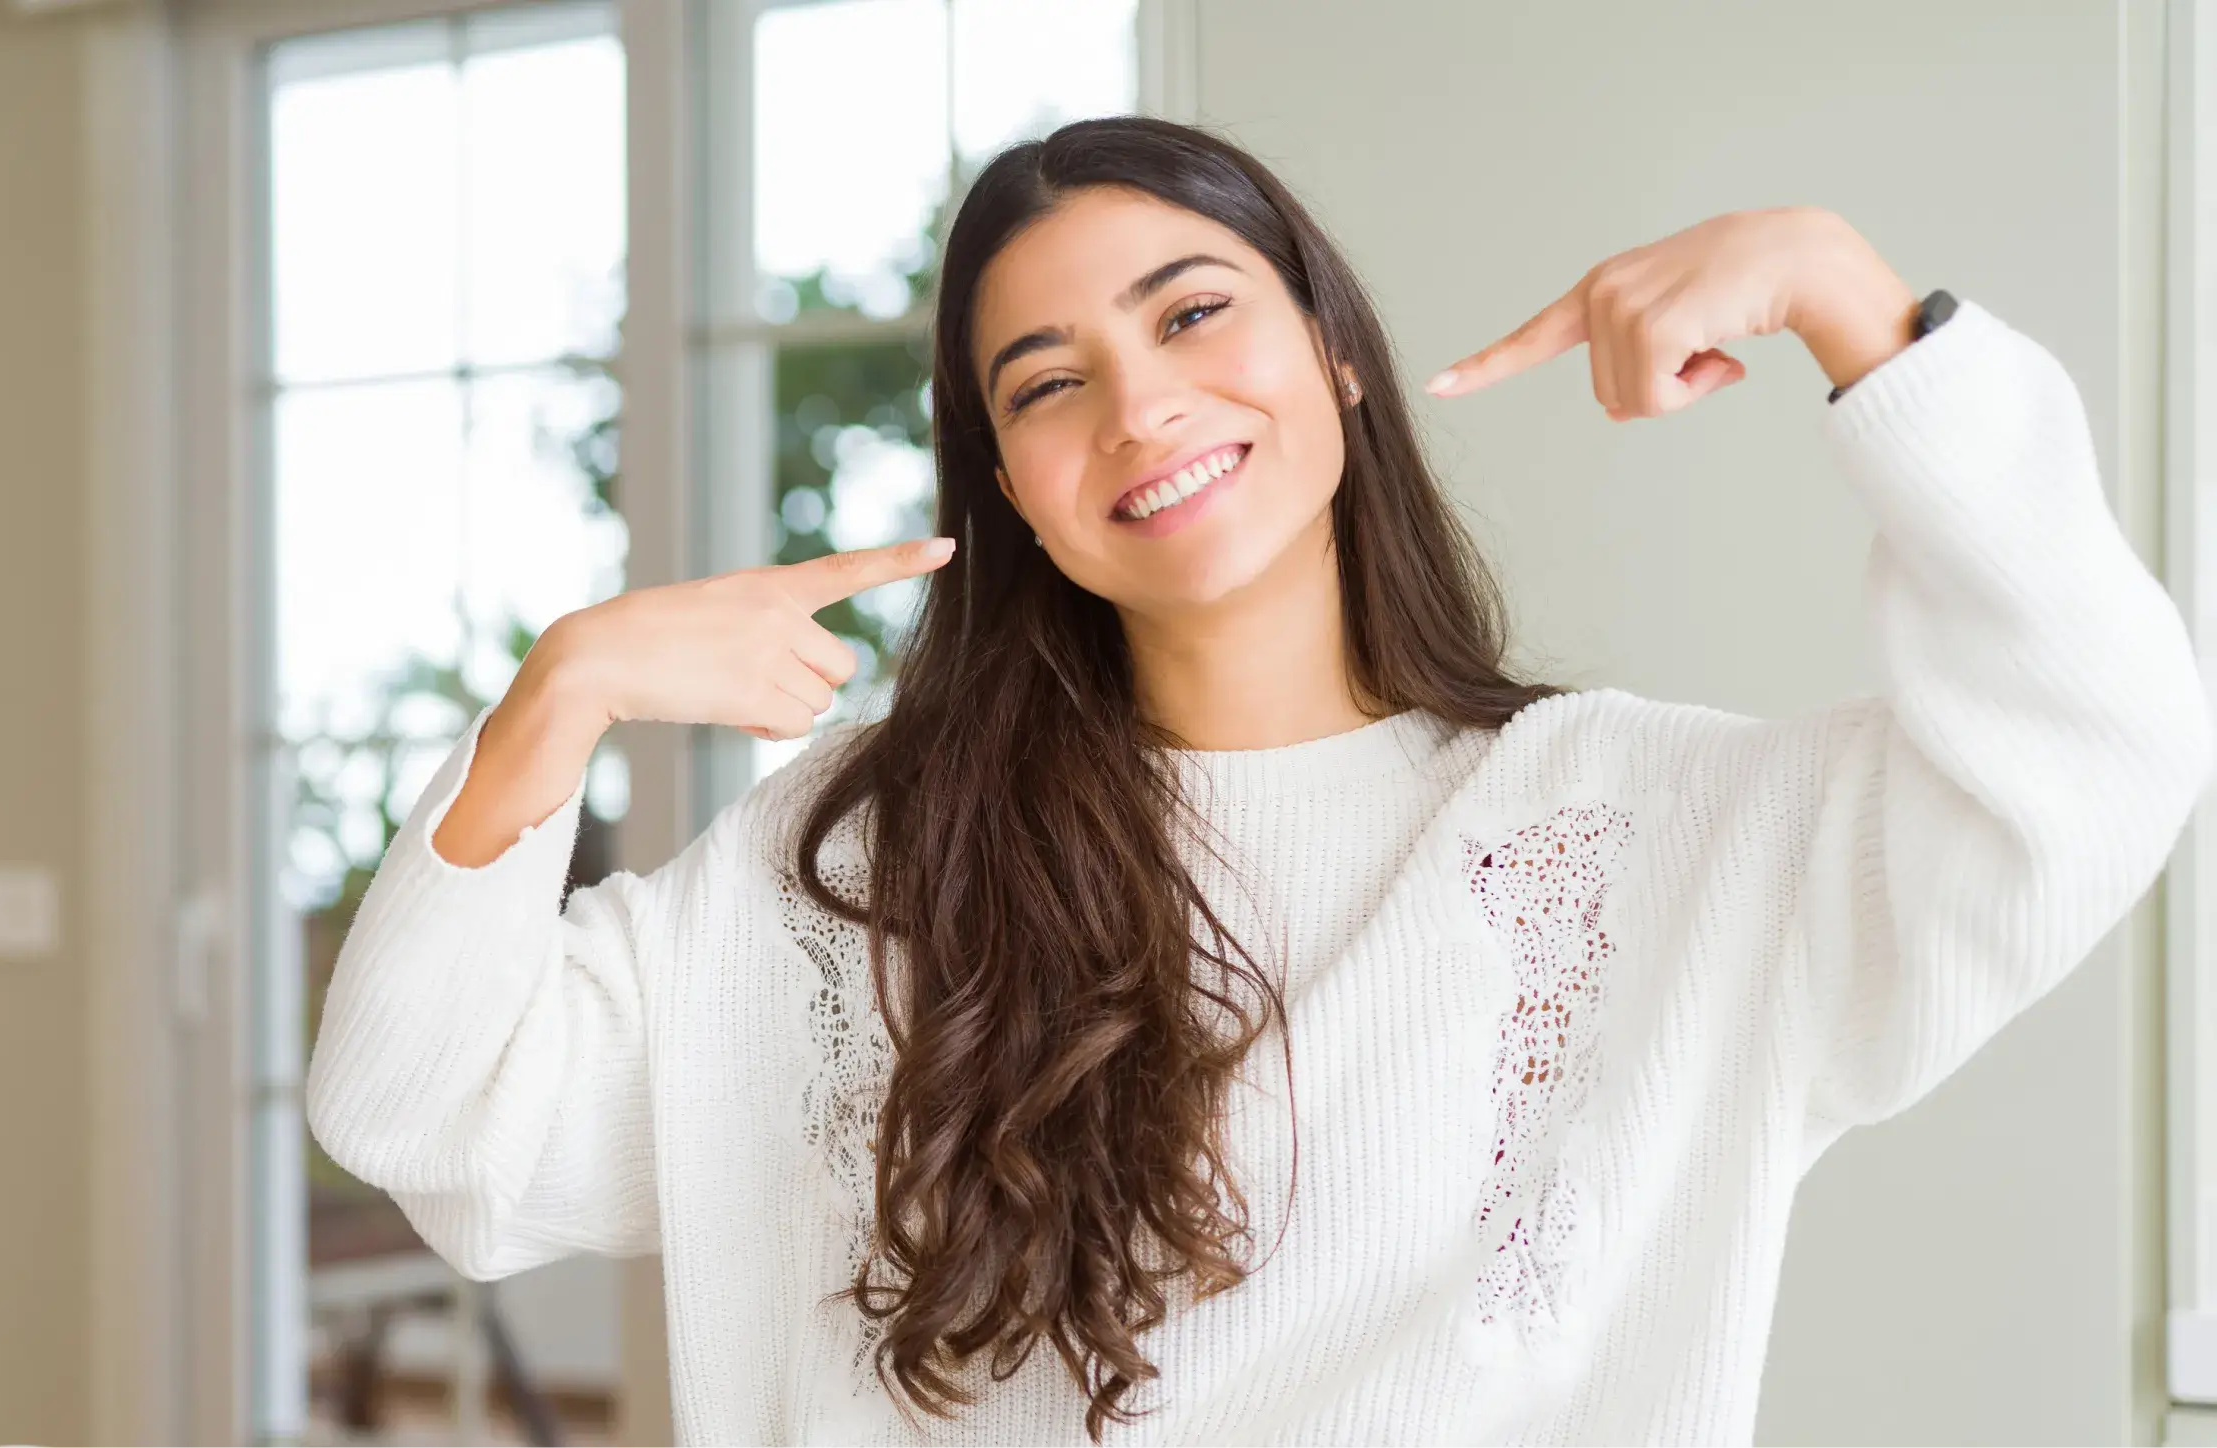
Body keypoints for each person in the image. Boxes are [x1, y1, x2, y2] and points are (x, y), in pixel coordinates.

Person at [303, 116, 2213, 1445]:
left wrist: (1849, 306)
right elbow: (432, 1117)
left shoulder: (1655, 835)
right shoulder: (865, 870)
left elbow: (2093, 747)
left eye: (1193, 310)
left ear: (1336, 352)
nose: (1139, 405)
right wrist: (549, 712)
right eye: (1044, 383)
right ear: (1016, 500)